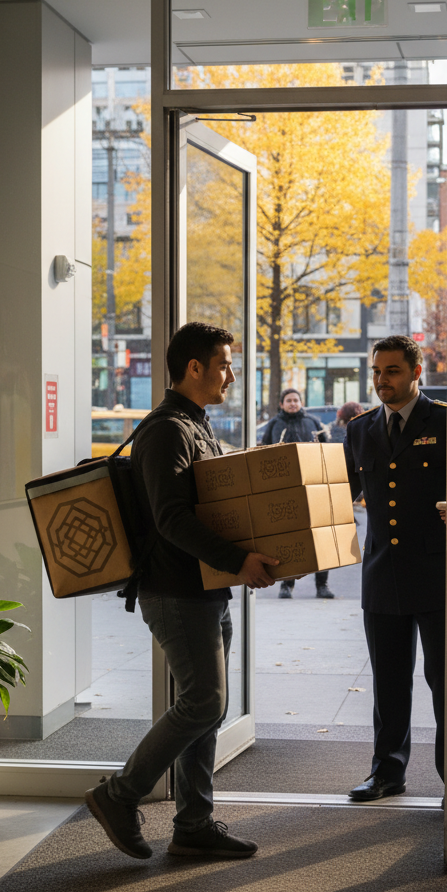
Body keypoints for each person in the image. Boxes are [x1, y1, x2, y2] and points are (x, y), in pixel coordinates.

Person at [85, 322, 279, 860]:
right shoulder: (166, 430)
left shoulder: (196, 424)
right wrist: (239, 560)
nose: (231, 375)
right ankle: (118, 795)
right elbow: (172, 519)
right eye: (223, 364)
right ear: (193, 368)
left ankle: (193, 823)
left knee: (207, 708)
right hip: (175, 591)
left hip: (206, 589)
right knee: (203, 702)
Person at [342, 335, 447, 801]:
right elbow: (338, 496)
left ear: (417, 373)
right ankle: (387, 771)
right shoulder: (360, 430)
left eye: (391, 371)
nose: (381, 381)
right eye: (376, 372)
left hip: (441, 574)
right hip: (382, 573)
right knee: (388, 681)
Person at [261, 388, 334, 600]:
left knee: (319, 538)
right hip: (283, 491)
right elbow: (263, 452)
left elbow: (327, 452)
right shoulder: (274, 424)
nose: (293, 403)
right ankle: (286, 585)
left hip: (313, 489)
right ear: (282, 404)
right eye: (288, 400)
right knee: (287, 541)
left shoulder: (314, 422)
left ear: (301, 402)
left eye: (296, 400)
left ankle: (322, 585)